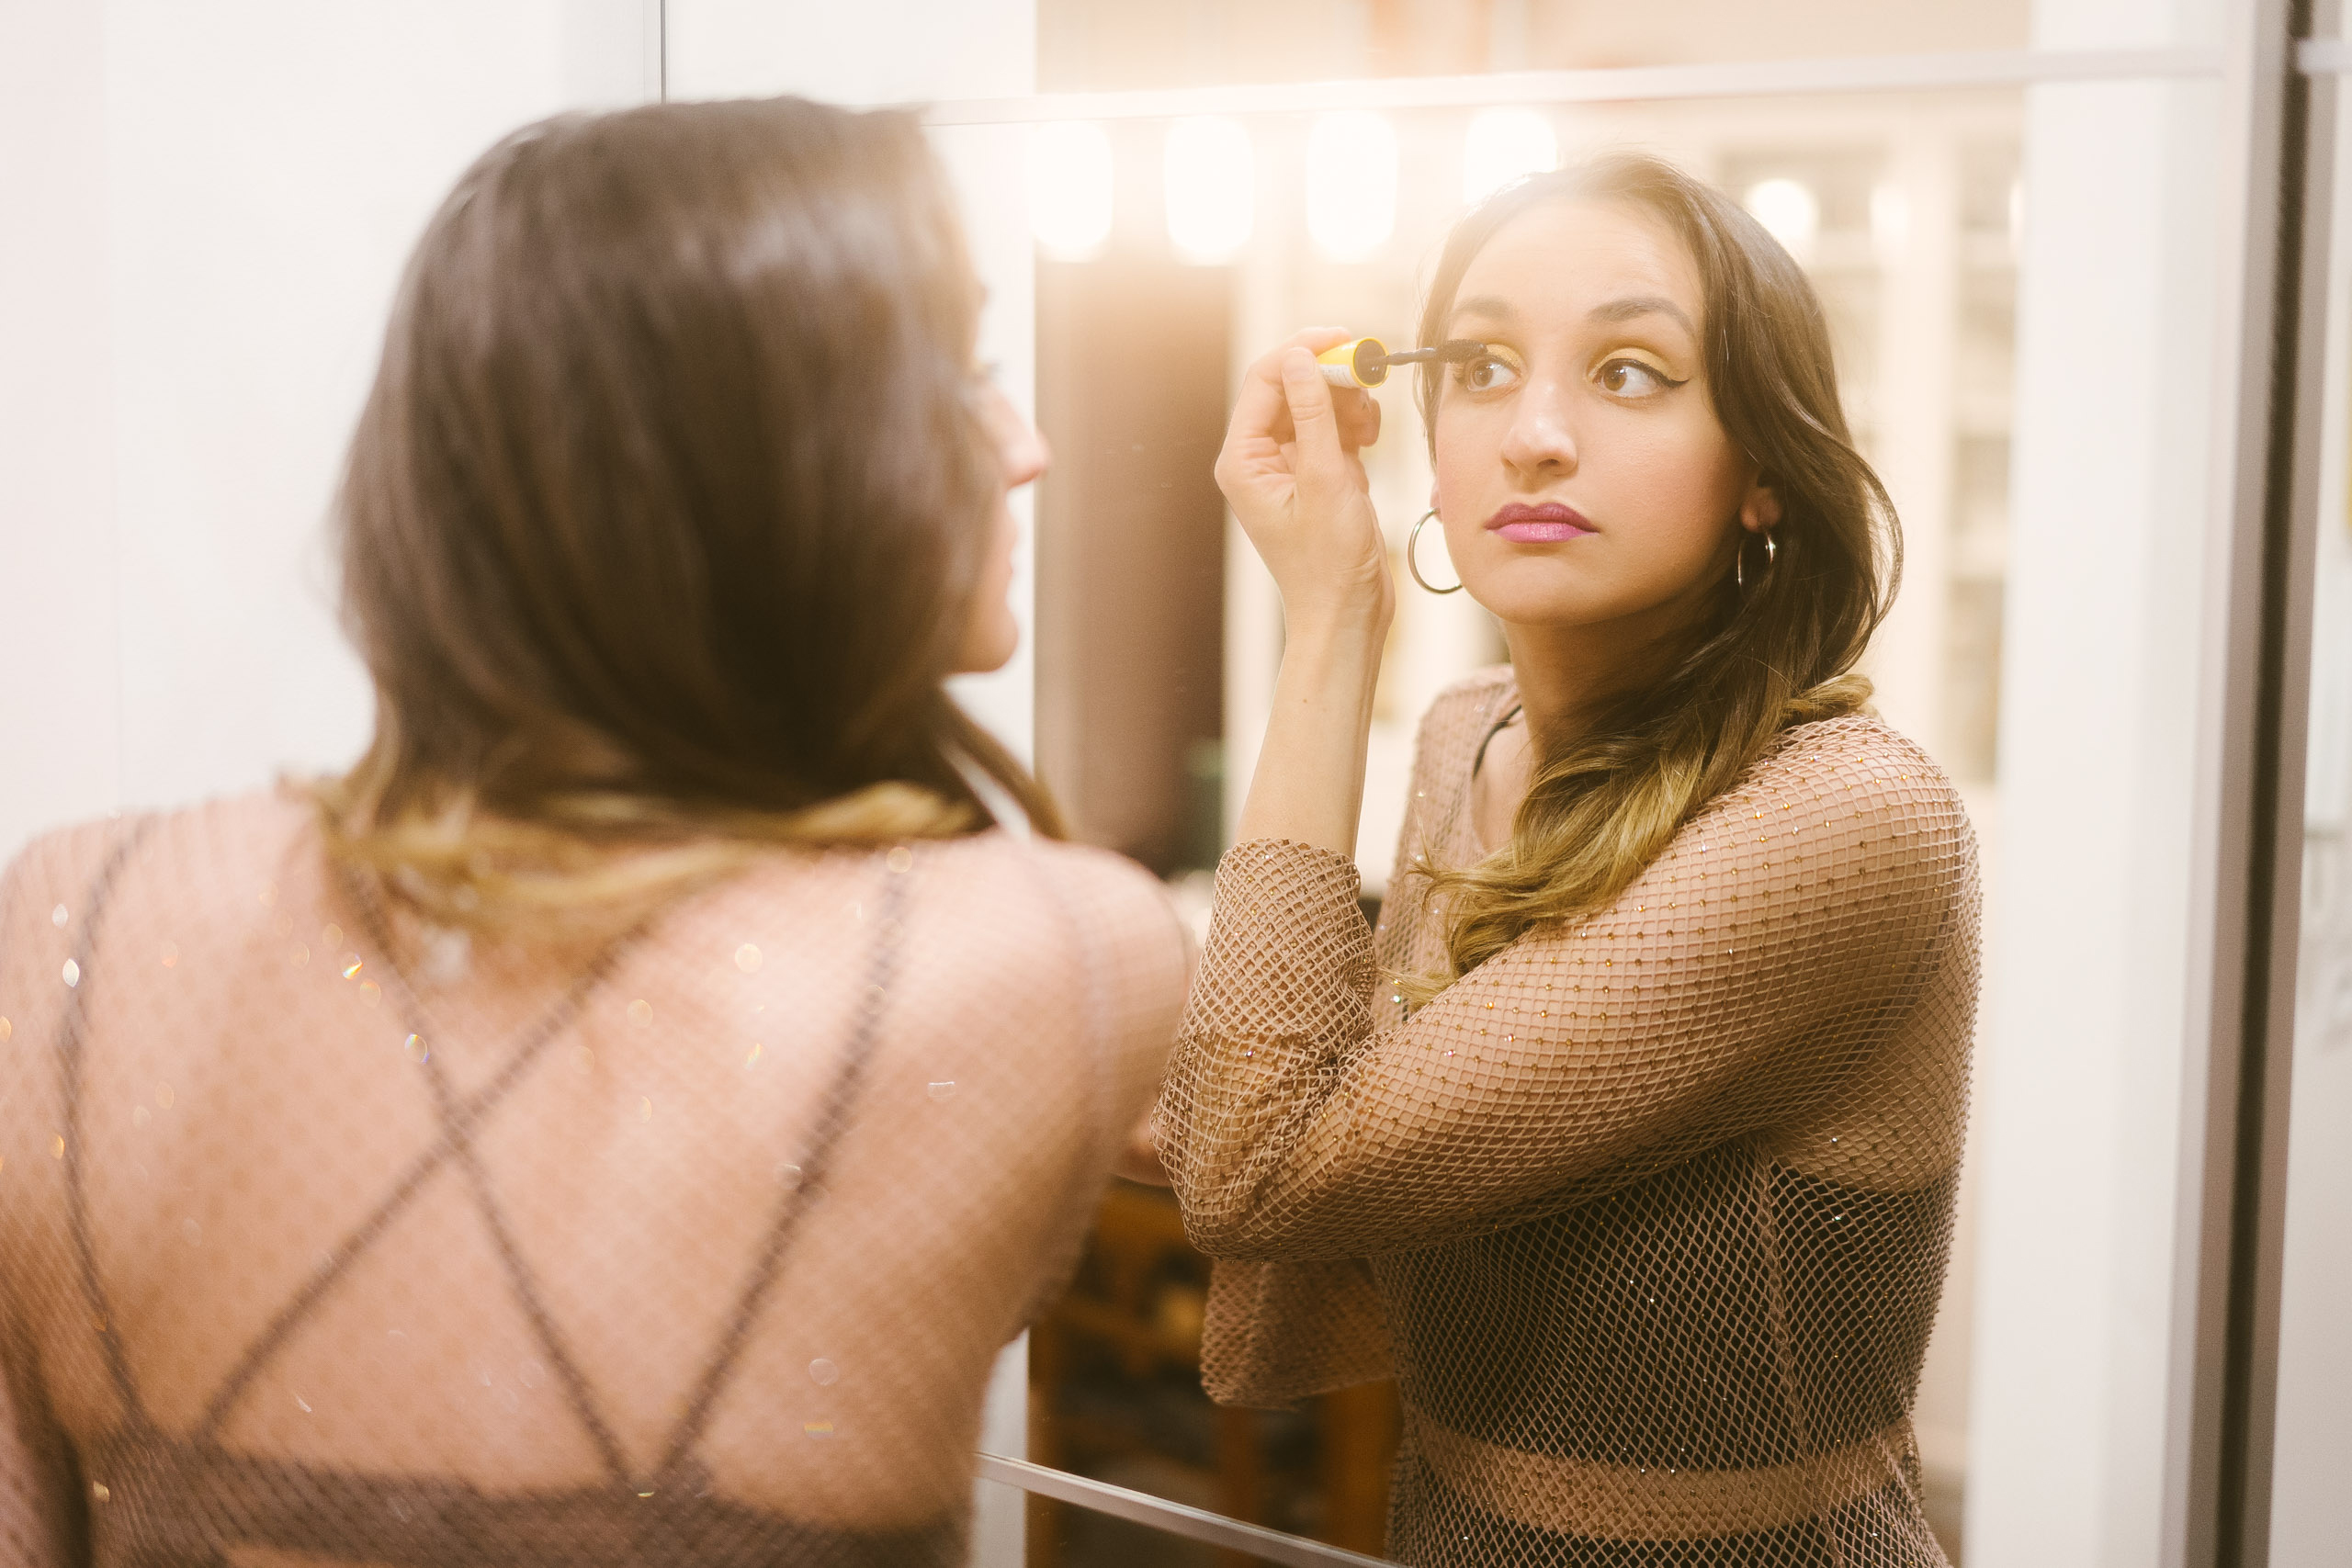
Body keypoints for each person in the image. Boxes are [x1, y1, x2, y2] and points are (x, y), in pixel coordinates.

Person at [0, 97, 1189, 1568]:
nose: (1026, 446)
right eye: (960, 377)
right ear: (760, 464)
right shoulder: (1046, 950)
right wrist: (1329, 619)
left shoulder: (78, 909)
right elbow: (1271, 1148)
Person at [1158, 152, 1980, 1567]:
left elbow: (1257, 1169)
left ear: (1764, 474)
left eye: (1629, 373)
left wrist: (1334, 622)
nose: (1533, 436)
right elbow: (1339, 1160)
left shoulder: (1845, 823)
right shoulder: (1464, 741)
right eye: (1482, 367)